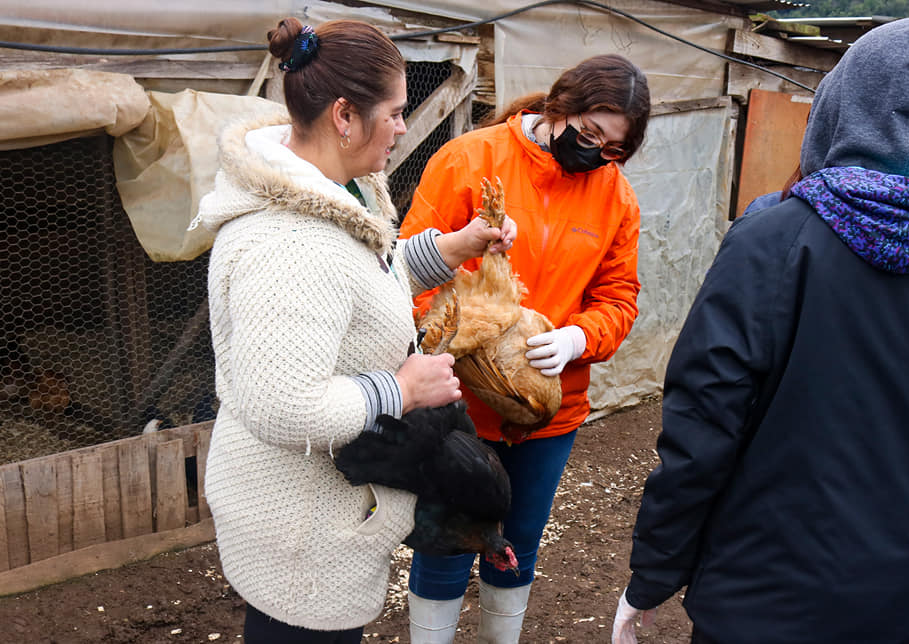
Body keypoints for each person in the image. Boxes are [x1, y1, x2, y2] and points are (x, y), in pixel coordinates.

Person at [613, 18, 909, 644]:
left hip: (760, 594)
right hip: (894, 597)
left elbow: (703, 424)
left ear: (834, 114)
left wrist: (653, 573)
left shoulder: (773, 239)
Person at [194, 17, 515, 644]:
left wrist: (453, 247)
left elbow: (367, 273)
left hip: (321, 513)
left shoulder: (336, 191)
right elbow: (281, 404)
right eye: (394, 113)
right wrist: (401, 389)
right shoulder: (290, 241)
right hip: (301, 531)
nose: (400, 127)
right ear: (345, 115)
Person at [398, 54, 650, 643]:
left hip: (546, 410)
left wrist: (577, 338)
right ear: (562, 104)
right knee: (446, 538)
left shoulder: (616, 198)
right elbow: (411, 268)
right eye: (590, 133)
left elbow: (619, 297)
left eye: (612, 148)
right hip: (455, 401)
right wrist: (462, 341)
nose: (596, 153)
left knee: (516, 542)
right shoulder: (471, 159)